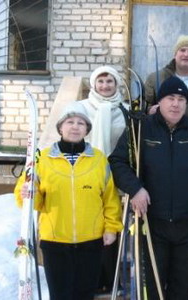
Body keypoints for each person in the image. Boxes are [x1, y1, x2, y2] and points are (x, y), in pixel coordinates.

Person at [110, 76, 188, 300]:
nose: (176, 104)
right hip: (151, 224)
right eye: (170, 98)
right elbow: (118, 161)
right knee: (153, 286)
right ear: (159, 101)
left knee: (183, 286)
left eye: (181, 99)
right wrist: (135, 189)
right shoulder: (140, 128)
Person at [14, 108, 123, 300]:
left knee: (86, 293)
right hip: (55, 241)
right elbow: (32, 202)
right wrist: (28, 195)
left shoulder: (99, 159)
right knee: (60, 295)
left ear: (87, 129)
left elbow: (110, 198)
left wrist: (111, 228)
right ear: (60, 128)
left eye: (81, 123)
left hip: (91, 241)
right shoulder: (42, 159)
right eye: (70, 122)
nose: (75, 127)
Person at [66, 65, 128, 293]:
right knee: (89, 225)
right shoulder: (80, 108)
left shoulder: (125, 110)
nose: (105, 86)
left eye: (109, 81)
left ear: (116, 84)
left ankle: (111, 279)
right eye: (100, 81)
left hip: (115, 176)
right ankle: (90, 279)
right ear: (93, 84)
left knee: (111, 226)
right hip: (85, 176)